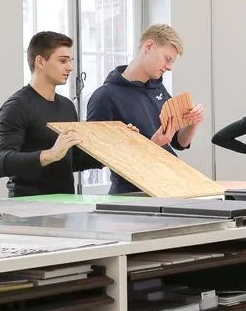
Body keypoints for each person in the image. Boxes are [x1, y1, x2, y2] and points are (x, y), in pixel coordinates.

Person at [86, 24, 205, 194]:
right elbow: (101, 158)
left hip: (171, 187)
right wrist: (153, 144)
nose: (170, 67)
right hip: (133, 194)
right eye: (167, 58)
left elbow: (179, 142)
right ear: (149, 46)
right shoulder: (104, 97)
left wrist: (193, 123)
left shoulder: (158, 89)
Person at [0, 31, 103, 197]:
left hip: (65, 208)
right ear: (40, 62)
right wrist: (50, 154)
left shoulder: (67, 106)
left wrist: (117, 149)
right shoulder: (16, 107)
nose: (70, 67)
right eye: (63, 61)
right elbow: (1, 162)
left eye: (70, 61)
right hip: (28, 210)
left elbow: (73, 161)